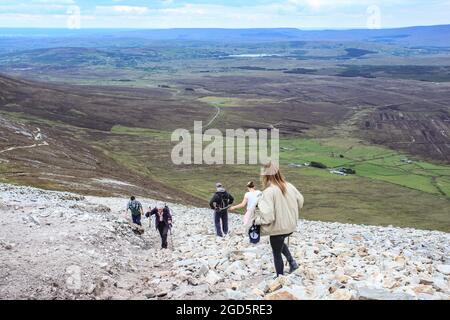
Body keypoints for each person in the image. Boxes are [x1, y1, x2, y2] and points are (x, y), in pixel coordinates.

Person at [253, 163, 304, 277]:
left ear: (266, 176)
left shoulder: (269, 192)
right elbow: (300, 202)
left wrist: (256, 220)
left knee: (276, 252)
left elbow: (268, 217)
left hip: (279, 228)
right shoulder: (290, 186)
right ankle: (292, 263)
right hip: (290, 226)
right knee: (280, 242)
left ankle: (279, 278)